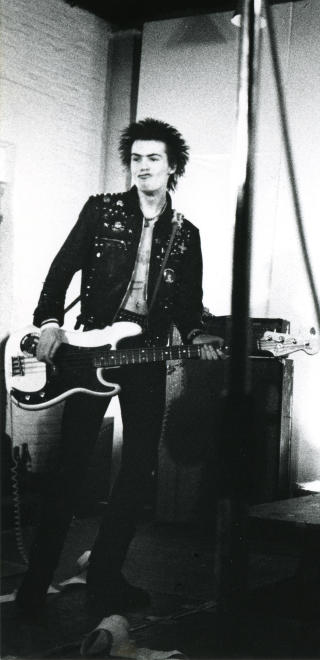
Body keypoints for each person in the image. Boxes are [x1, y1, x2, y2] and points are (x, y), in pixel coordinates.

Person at [15, 118, 222, 617]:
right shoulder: (101, 211)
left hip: (145, 355)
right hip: (88, 351)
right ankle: (34, 584)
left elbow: (189, 305)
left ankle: (107, 576)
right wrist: (47, 322)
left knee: (138, 470)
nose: (143, 166)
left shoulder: (186, 233)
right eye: (136, 158)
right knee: (71, 466)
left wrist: (200, 335)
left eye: (154, 158)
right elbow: (60, 270)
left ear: (173, 168)